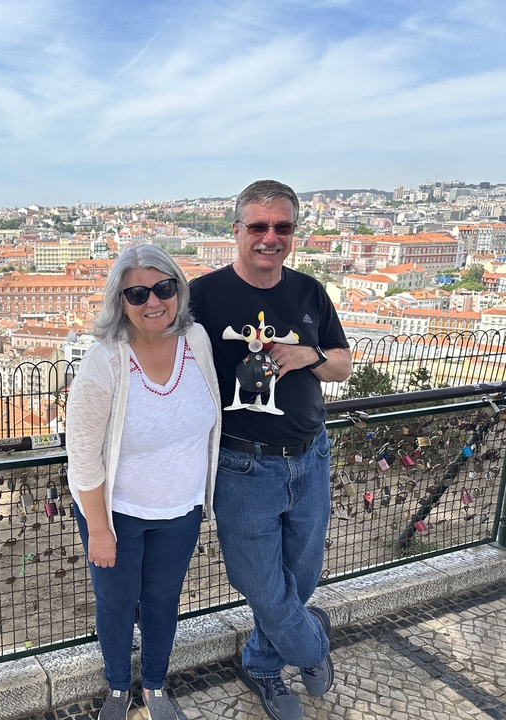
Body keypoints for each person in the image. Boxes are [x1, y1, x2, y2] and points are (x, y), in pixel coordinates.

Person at [188, 180, 352, 720]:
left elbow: (341, 366)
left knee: (300, 578)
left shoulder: (310, 292)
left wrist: (308, 355)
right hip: (242, 463)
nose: (269, 237)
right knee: (259, 581)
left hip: (311, 454)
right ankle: (310, 644)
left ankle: (261, 663)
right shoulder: (204, 296)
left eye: (282, 227)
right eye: (258, 226)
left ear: (294, 234)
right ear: (236, 230)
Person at [66, 245, 221, 720]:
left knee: (162, 601)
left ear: (178, 289)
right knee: (116, 603)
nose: (153, 301)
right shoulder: (105, 363)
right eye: (138, 293)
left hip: (181, 509)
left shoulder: (196, 341)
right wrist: (98, 528)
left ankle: (154, 685)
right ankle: (118, 688)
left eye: (163, 287)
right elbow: (83, 456)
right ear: (121, 301)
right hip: (118, 514)